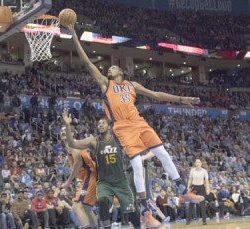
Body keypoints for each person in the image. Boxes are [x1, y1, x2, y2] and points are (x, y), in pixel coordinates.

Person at [67, 24, 204, 220]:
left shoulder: (132, 85)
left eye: (112, 67)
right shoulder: (106, 84)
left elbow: (156, 95)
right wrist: (74, 36)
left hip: (139, 123)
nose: (109, 69)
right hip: (122, 127)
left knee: (162, 153)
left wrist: (182, 99)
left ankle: (181, 187)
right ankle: (145, 211)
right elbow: (88, 63)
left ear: (121, 71)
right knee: (137, 165)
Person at [62, 111, 156, 228]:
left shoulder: (118, 139)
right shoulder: (93, 141)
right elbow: (72, 143)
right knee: (102, 202)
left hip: (120, 179)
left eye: (103, 123)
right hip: (104, 180)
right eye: (98, 124)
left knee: (131, 207)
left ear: (109, 126)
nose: (100, 125)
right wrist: (67, 125)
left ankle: (138, 226)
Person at [60, 126, 98, 229]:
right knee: (86, 207)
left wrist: (68, 182)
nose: (63, 132)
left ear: (72, 133)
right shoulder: (70, 147)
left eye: (65, 130)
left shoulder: (73, 144)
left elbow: (78, 163)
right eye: (61, 131)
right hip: (91, 176)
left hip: (91, 175)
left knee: (76, 205)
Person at [186, 159, 209, 225]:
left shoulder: (204, 171)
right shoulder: (192, 170)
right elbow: (190, 179)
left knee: (202, 205)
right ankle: (188, 220)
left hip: (201, 188)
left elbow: (206, 181)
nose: (197, 163)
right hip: (194, 188)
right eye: (196, 162)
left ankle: (204, 221)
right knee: (191, 204)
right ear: (195, 164)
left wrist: (207, 189)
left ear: (201, 164)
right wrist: (188, 188)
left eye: (199, 162)